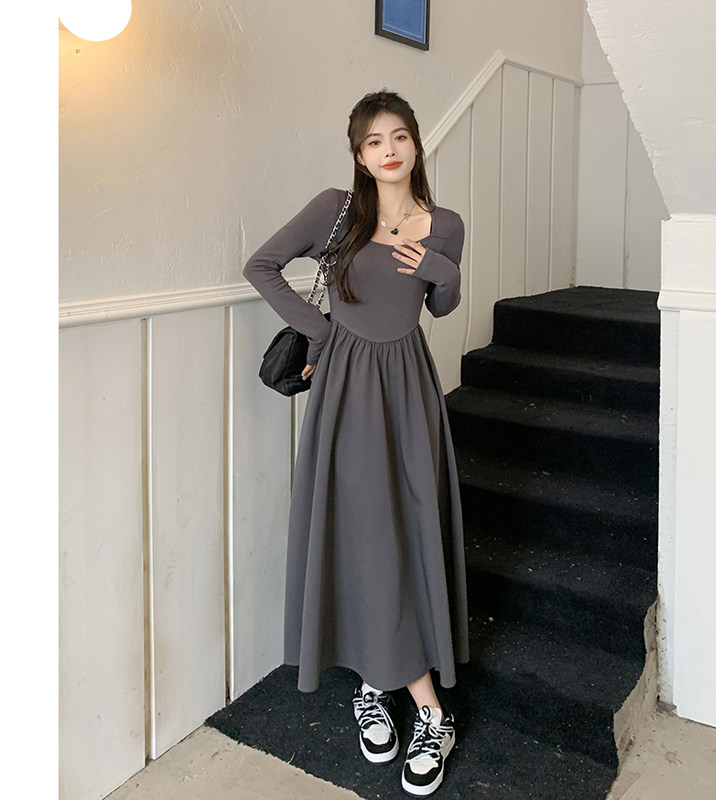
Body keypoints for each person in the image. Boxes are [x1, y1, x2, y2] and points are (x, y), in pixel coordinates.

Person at [243, 89, 469, 797]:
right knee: (364, 532)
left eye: (399, 136)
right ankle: (415, 701)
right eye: (374, 141)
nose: (389, 149)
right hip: (345, 392)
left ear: (416, 144)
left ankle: (385, 686)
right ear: (359, 155)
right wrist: (320, 331)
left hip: (409, 389)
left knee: (407, 528)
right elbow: (261, 265)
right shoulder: (335, 211)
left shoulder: (446, 224)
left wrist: (443, 272)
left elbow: (441, 306)